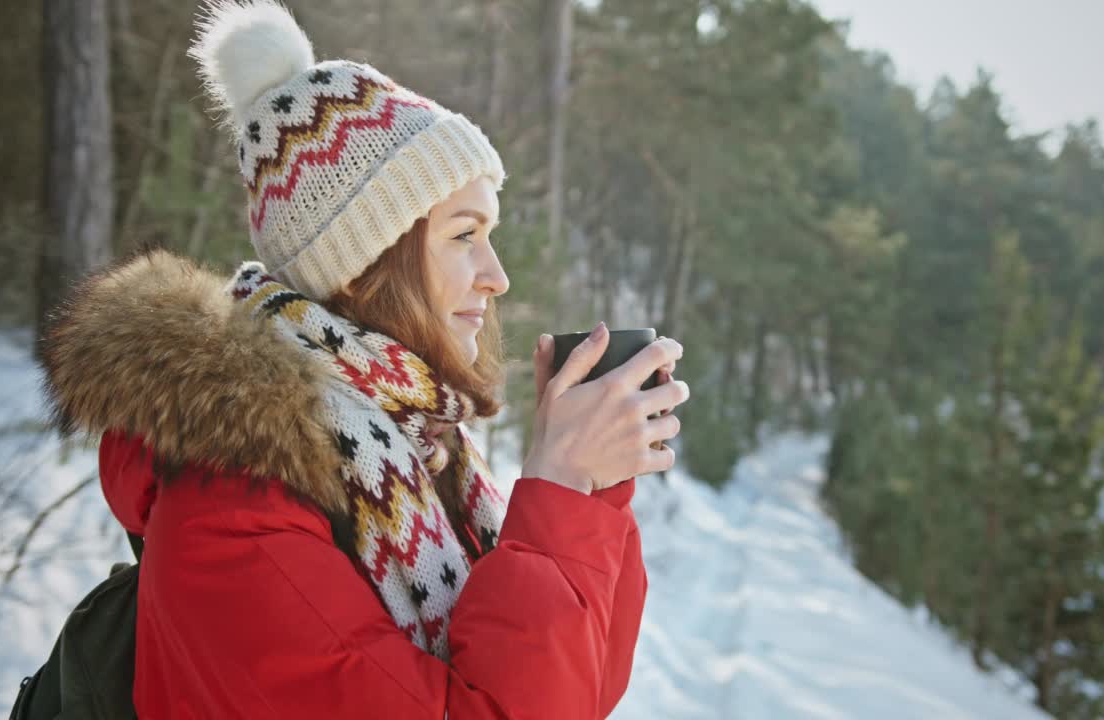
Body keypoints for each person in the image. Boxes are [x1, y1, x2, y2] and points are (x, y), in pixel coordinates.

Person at [36, 1, 689, 718]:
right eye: (463, 236)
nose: (497, 276)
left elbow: (578, 690)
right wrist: (558, 494)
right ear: (360, 264)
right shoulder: (232, 507)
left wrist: (590, 490)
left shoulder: (416, 448)